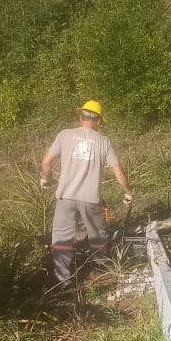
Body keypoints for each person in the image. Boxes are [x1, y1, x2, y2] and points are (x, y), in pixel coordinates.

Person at [40, 99, 133, 285]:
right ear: (98, 121)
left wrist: (46, 180)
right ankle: (100, 269)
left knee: (61, 239)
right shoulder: (104, 142)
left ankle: (63, 280)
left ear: (81, 117)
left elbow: (46, 162)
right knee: (97, 234)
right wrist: (128, 192)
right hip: (91, 199)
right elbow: (118, 173)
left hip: (65, 197)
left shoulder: (64, 135)